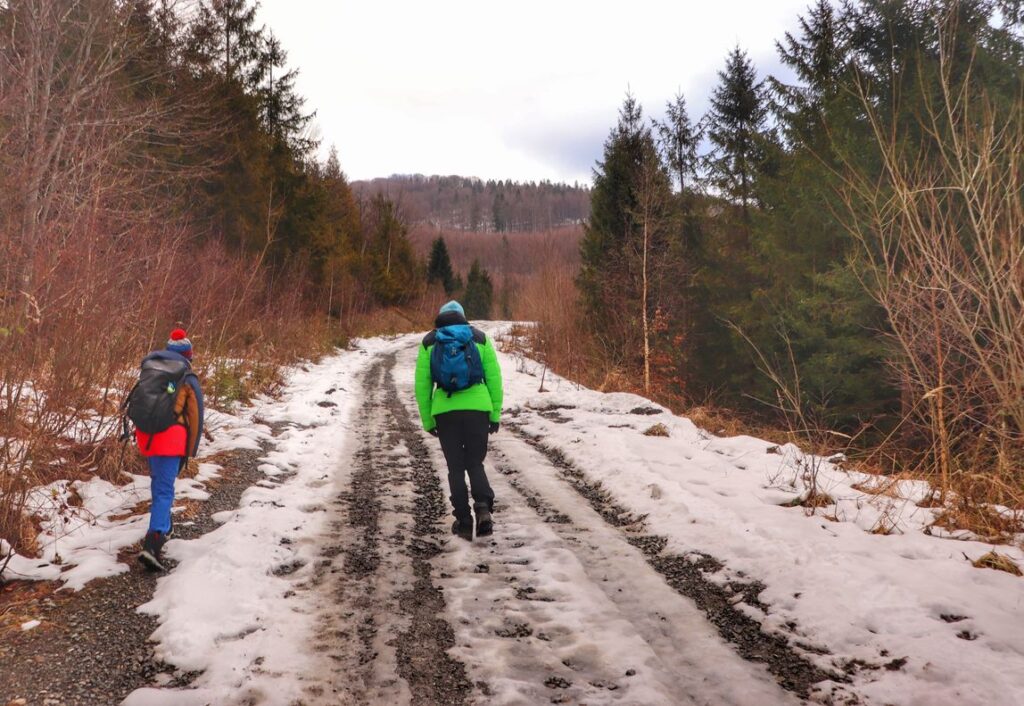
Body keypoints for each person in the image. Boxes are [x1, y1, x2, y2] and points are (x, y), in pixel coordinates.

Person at [415, 301, 503, 542]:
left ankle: (464, 521)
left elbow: (422, 385)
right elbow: (494, 379)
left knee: (455, 468)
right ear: (463, 317)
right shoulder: (479, 338)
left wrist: (428, 419)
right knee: (475, 463)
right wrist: (494, 414)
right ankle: (483, 509)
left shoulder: (429, 342)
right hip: (478, 409)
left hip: (445, 411)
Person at [131, 328, 204, 571]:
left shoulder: (150, 369)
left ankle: (165, 525)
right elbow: (195, 416)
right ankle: (153, 543)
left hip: (148, 435)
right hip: (172, 439)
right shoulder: (187, 376)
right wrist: (190, 450)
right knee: (164, 489)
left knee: (158, 483)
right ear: (188, 354)